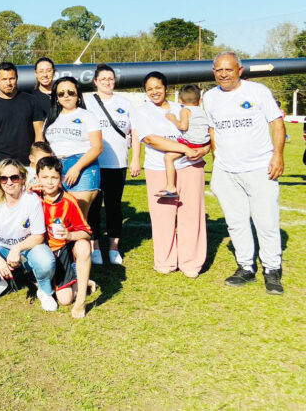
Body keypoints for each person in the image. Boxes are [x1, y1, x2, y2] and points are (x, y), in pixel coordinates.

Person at [205, 52, 285, 294]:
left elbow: (276, 123)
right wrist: (217, 156)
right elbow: (212, 129)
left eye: (229, 69)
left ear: (240, 70)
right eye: (219, 70)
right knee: (236, 222)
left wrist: (278, 155)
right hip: (226, 171)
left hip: (260, 168)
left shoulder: (257, 92)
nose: (224, 74)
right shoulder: (209, 97)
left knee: (267, 221)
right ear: (214, 72)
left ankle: (272, 270)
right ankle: (246, 267)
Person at [134, 72, 209, 278]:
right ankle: (165, 261)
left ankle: (191, 263)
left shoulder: (182, 108)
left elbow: (203, 132)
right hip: (158, 168)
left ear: (165, 87)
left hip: (190, 167)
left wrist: (204, 149)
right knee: (162, 217)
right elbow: (150, 139)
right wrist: (184, 148)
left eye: (158, 87)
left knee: (191, 214)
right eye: (149, 89)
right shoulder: (142, 112)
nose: (154, 92)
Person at [0, 158, 57, 309]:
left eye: (14, 177)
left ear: (22, 179)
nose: (9, 182)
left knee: (46, 261)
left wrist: (17, 249)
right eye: (4, 178)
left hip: (28, 249)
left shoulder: (31, 199)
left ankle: (44, 291)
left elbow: (38, 236)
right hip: (1, 248)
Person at [83, 64, 140, 265]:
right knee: (94, 207)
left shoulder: (125, 102)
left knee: (114, 206)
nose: (108, 82)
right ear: (95, 81)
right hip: (94, 164)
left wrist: (135, 159)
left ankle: (114, 248)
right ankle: (95, 247)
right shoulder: (87, 102)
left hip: (118, 164)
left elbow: (135, 132)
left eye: (111, 78)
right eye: (103, 79)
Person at [37, 156, 95, 319]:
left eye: (54, 177)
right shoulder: (33, 195)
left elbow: (87, 232)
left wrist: (69, 235)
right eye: (45, 177)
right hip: (39, 250)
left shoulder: (69, 202)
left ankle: (81, 298)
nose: (49, 182)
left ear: (61, 179)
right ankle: (80, 280)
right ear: (37, 178)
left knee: (65, 300)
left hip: (61, 251)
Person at [42, 77, 102, 216]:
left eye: (70, 92)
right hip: (56, 168)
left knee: (78, 216)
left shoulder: (87, 116)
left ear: (78, 95)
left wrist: (77, 168)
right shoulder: (51, 119)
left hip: (82, 167)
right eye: (61, 93)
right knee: (58, 215)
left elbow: (97, 147)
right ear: (56, 98)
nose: (66, 96)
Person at [0, 63, 44, 174]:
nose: (8, 83)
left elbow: (39, 132)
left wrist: (37, 160)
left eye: (11, 78)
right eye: (4, 79)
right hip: (1, 166)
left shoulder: (32, 101)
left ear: (17, 78)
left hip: (28, 165)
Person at [156, 85, 211, 199]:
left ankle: (170, 186)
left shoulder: (185, 110)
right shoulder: (202, 111)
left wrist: (173, 119)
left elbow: (183, 126)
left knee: (168, 157)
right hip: (203, 143)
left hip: (191, 143)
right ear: (200, 101)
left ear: (180, 101)